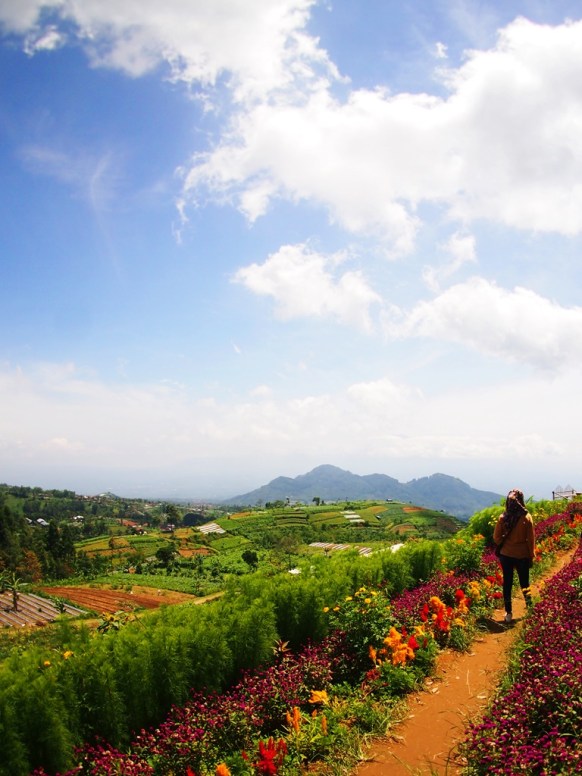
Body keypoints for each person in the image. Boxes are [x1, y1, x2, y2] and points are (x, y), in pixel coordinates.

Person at [493, 488, 535, 624]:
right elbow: (531, 539)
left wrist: (505, 545)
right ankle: (530, 607)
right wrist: (531, 555)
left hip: (506, 555)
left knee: (508, 583)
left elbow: (496, 537)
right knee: (524, 582)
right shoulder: (526, 517)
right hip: (522, 555)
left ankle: (508, 613)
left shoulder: (503, 517)